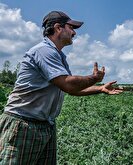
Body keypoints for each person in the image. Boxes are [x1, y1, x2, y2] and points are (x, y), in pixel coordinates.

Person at [0, 11, 123, 164]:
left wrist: (100, 88)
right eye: (71, 27)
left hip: (45, 125)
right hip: (23, 125)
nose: (74, 32)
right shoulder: (43, 51)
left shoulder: (59, 56)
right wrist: (94, 79)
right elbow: (68, 84)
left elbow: (71, 89)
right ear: (58, 28)